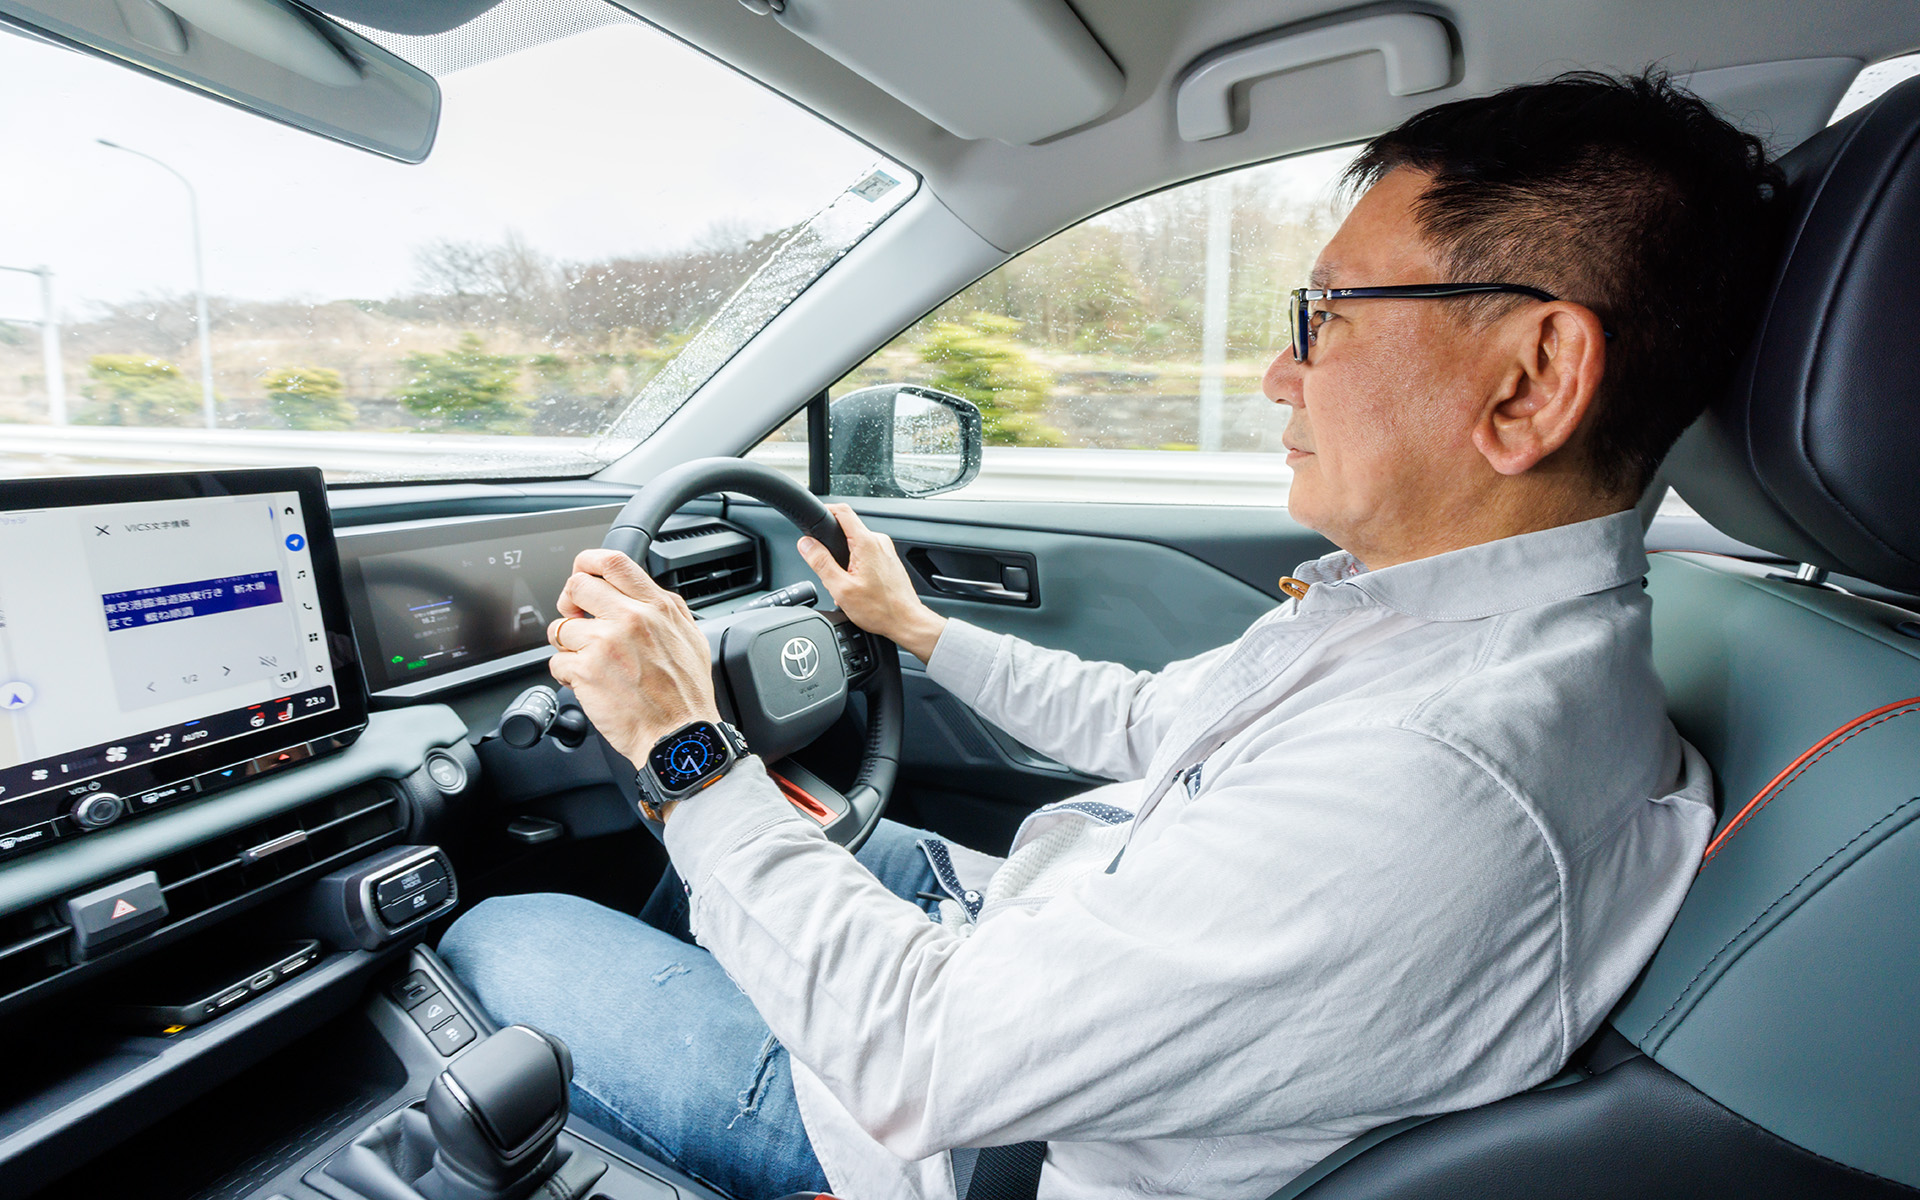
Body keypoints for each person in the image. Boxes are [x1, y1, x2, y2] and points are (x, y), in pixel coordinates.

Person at [439, 71, 1786, 1200]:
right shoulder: (1450, 632)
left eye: (1327, 315)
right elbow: (1152, 726)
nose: (1280, 372)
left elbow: (916, 1061)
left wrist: (688, 749)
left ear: (1532, 378)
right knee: (748, 857)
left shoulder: (1437, 773)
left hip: (965, 1134)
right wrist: (918, 633)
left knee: (506, 931)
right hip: (1028, 962)